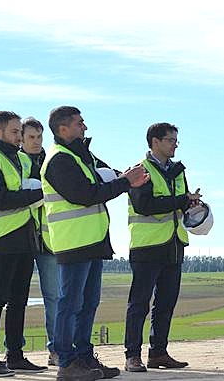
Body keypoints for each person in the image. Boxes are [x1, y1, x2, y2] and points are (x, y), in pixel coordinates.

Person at [41, 106, 148, 381]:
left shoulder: (82, 155)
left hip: (92, 241)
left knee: (88, 303)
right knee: (70, 304)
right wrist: (125, 182)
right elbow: (85, 194)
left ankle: (85, 358)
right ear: (63, 129)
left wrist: (125, 176)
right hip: (74, 242)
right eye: (79, 123)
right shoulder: (58, 160)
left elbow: (108, 175)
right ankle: (66, 362)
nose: (84, 127)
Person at [0, 111, 47, 377]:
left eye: (20, 132)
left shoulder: (19, 160)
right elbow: (0, 199)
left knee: (19, 300)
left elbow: (34, 181)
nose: (20, 137)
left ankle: (15, 356)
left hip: (25, 238)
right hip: (1, 239)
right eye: (15, 132)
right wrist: (40, 194)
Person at [123, 123, 199, 372]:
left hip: (174, 244)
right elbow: (144, 205)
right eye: (171, 140)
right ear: (155, 141)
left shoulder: (177, 171)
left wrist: (192, 205)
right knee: (139, 304)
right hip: (147, 246)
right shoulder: (139, 171)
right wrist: (181, 200)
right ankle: (132, 355)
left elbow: (177, 202)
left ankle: (158, 353)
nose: (175, 144)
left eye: (176, 140)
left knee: (166, 304)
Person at [20, 116, 60, 367]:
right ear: (21, 138)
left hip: (49, 240)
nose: (36, 142)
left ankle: (56, 349)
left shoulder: (52, 161)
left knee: (55, 296)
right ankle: (14, 351)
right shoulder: (15, 162)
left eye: (39, 137)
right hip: (20, 240)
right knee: (17, 299)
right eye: (31, 137)